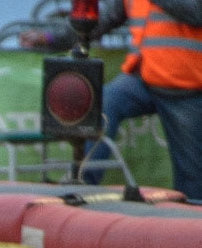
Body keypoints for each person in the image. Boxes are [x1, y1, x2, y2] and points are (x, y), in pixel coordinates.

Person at [27, 0, 202, 199]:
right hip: (141, 78)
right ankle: (82, 185)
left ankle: (191, 219)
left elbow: (197, 13)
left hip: (186, 86)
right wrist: (50, 37)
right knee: (103, 103)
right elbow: (99, 20)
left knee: (192, 174)